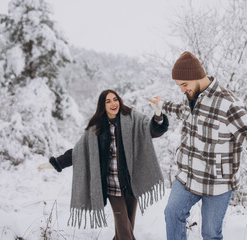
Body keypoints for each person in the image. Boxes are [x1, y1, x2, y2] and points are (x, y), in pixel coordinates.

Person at [149, 51, 247, 240]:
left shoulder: (228, 104)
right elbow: (180, 110)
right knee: (172, 214)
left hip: (218, 183)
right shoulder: (189, 97)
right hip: (187, 176)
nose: (182, 90)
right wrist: (161, 105)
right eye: (179, 86)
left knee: (210, 233)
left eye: (184, 85)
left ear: (196, 77)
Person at [38, 89, 168, 240]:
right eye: (108, 101)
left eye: (115, 99)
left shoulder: (132, 118)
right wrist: (57, 163)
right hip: (112, 186)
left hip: (132, 183)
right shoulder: (96, 128)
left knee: (125, 230)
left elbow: (152, 130)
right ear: (103, 105)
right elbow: (79, 152)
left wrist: (158, 116)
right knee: (125, 232)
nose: (113, 103)